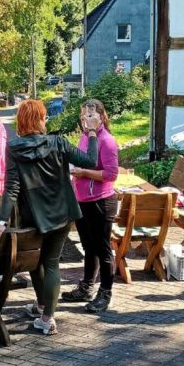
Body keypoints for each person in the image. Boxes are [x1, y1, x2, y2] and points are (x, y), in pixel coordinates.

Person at [0, 99, 101, 335]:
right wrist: (91, 133)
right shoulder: (57, 143)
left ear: (20, 121)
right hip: (62, 213)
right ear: (39, 120)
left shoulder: (14, 148)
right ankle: (46, 314)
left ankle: (45, 311)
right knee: (49, 263)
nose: (45, 120)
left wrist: (1, 222)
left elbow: (11, 188)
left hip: (34, 218)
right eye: (43, 116)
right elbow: (90, 161)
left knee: (36, 262)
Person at [62, 99, 119, 313]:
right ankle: (86, 286)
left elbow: (111, 174)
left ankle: (105, 292)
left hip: (101, 202)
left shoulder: (107, 140)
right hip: (82, 200)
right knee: (88, 247)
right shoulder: (85, 137)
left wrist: (84, 173)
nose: (86, 121)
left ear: (101, 117)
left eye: (90, 116)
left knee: (102, 248)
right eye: (83, 116)